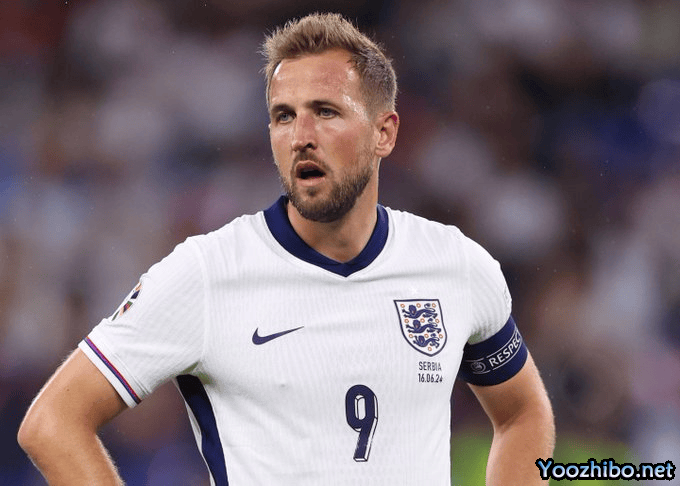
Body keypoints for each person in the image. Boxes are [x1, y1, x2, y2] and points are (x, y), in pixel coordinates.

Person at [18, 12, 555, 485]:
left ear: (385, 133)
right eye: (283, 115)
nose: (300, 136)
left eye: (326, 111)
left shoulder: (456, 266)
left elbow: (522, 414)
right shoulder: (207, 273)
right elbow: (53, 423)